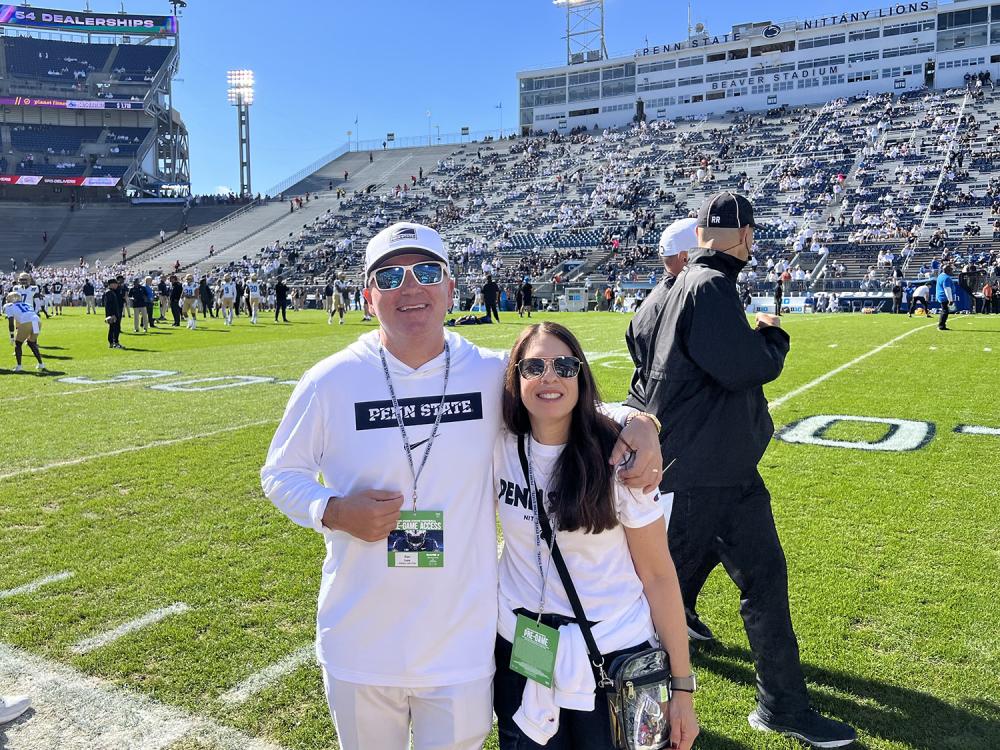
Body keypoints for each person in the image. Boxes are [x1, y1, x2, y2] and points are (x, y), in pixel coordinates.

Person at [260, 221, 662, 750]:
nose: (411, 287)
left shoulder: (487, 373)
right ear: (367, 295)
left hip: (460, 646)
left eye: (428, 271)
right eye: (390, 276)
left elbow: (559, 400)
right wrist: (332, 509)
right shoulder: (331, 379)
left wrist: (641, 423)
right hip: (360, 640)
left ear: (452, 288)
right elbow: (279, 473)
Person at [625, 192, 857, 748]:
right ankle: (634, 710)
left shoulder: (666, 290)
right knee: (660, 598)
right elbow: (743, 367)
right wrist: (772, 335)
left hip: (698, 464)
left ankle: (779, 703)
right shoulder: (708, 286)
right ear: (744, 236)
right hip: (708, 469)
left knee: (733, 583)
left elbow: (638, 344)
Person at [493, 321, 698, 750]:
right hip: (524, 648)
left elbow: (659, 575)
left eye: (565, 365)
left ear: (581, 375)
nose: (550, 377)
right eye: (534, 366)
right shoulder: (497, 445)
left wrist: (683, 688)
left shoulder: (619, 458)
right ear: (516, 377)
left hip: (612, 650)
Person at [4, 291, 45, 372]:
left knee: (18, 343)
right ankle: (41, 364)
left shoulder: (9, 306)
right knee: (32, 343)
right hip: (37, 321)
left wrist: (12, 336)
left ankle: (19, 366)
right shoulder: (27, 304)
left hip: (27, 321)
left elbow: (11, 323)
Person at [105, 278, 124, 349]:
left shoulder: (112, 292)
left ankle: (113, 343)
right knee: (114, 328)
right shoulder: (109, 293)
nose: (117, 285)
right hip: (113, 314)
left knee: (114, 328)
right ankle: (114, 343)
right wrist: (112, 315)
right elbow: (109, 305)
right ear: (112, 284)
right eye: (115, 284)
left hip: (114, 313)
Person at [936, 264, 956, 331]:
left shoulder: (940, 276)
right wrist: (950, 299)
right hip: (944, 297)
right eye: (950, 270)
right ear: (947, 270)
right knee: (945, 311)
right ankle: (941, 326)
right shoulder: (946, 278)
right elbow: (947, 289)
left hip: (941, 296)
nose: (951, 271)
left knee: (944, 311)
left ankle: (942, 325)